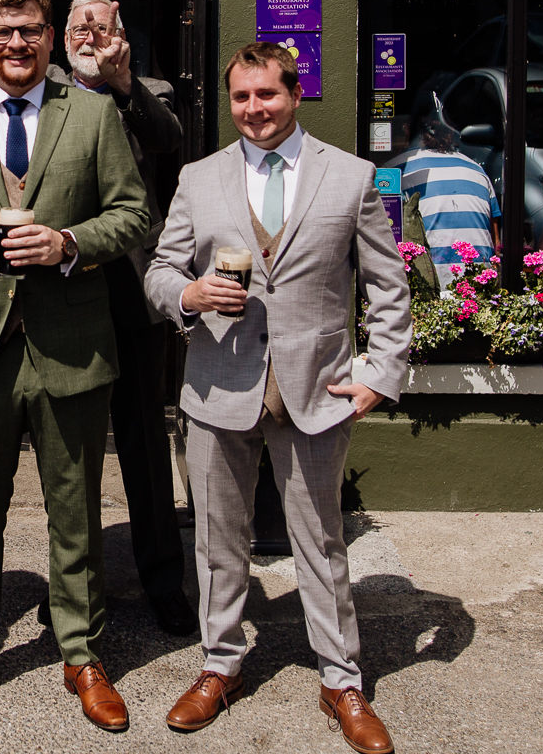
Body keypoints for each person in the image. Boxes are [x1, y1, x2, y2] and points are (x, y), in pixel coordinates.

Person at [0, 0, 196, 636]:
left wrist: (122, 84)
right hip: (26, 302)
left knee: (138, 449)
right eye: (80, 24)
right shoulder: (46, 81)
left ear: (120, 32)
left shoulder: (142, 91)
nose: (90, 34)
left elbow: (166, 142)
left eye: (103, 24)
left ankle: (161, 581)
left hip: (126, 290)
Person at [144, 42, 411, 752]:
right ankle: (219, 664)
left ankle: (341, 680)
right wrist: (189, 295)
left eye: (266, 95)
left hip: (316, 391)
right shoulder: (200, 178)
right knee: (217, 542)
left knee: (320, 543)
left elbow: (388, 287)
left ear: (294, 93)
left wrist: (380, 373)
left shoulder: (350, 177)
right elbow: (160, 272)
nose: (253, 110)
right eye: (241, 98)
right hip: (216, 386)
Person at [397, 117, 500, 289]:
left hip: (429, 291)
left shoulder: (396, 171)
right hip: (480, 292)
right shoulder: (477, 171)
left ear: (408, 129)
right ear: (452, 133)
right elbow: (496, 245)